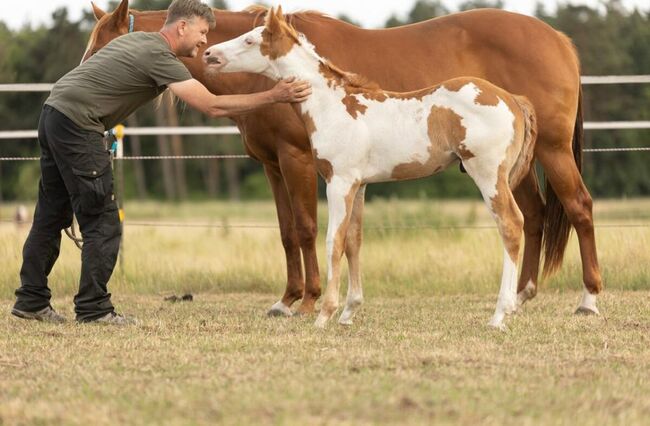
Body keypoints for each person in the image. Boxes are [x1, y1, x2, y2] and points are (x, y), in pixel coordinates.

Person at [11, 0, 311, 325]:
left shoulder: (136, 42)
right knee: (102, 219)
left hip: (53, 113)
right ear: (182, 27)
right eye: (201, 32)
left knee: (51, 213)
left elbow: (95, 82)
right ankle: (94, 308)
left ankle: (31, 301)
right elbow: (212, 106)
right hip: (77, 123)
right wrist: (274, 95)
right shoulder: (160, 56)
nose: (204, 41)